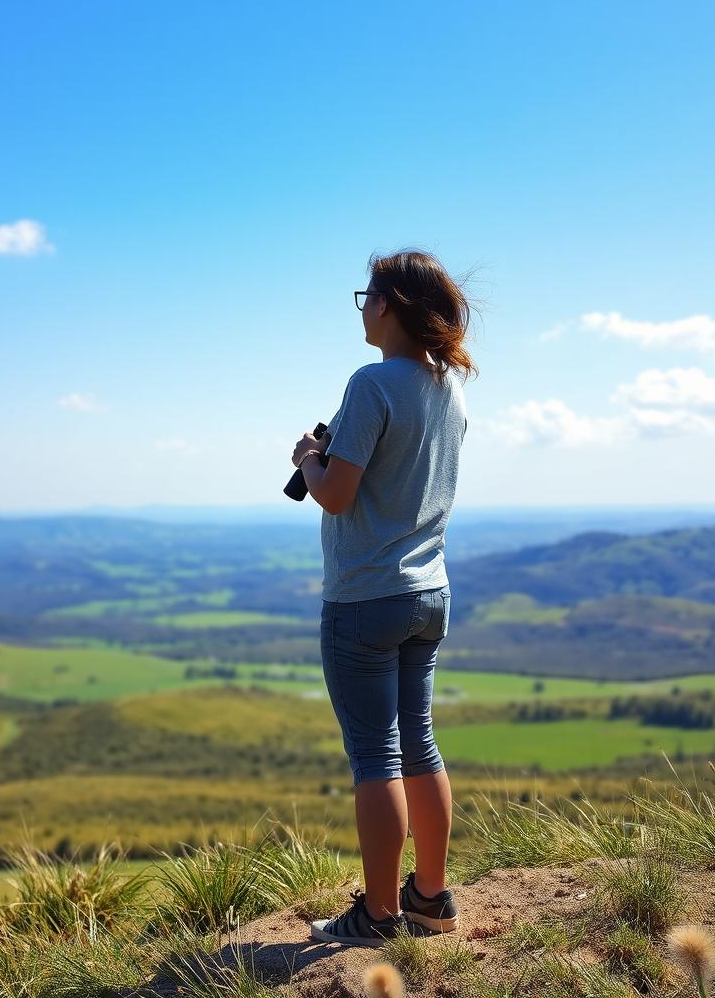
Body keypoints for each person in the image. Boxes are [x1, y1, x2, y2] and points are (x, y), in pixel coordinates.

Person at [293, 247, 478, 948]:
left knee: (375, 754)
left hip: (365, 596)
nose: (362, 308)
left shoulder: (371, 386)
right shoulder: (449, 389)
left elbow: (337, 495)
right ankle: (430, 896)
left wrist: (307, 459)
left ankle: (378, 914)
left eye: (366, 296)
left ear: (392, 306)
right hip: (428, 592)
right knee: (420, 744)